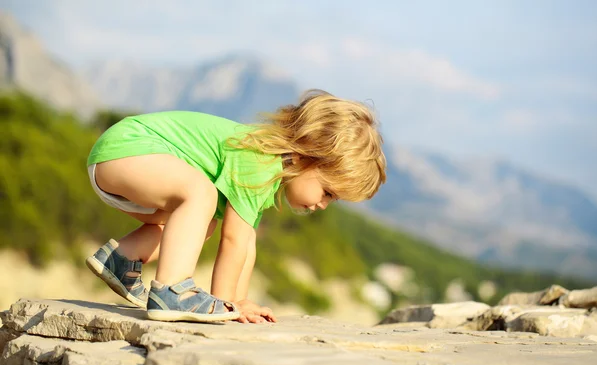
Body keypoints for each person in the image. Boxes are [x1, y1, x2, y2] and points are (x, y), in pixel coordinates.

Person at [85, 89, 387, 324]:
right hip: (128, 150)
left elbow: (245, 243)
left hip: (121, 160)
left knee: (203, 219)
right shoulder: (257, 161)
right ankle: (171, 290)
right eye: (327, 192)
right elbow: (233, 243)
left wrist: (238, 302)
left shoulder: (265, 172)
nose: (323, 204)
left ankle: (121, 258)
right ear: (303, 156)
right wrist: (225, 303)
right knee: (200, 195)